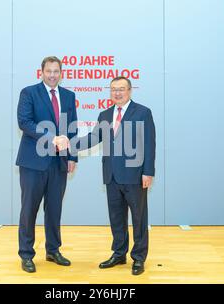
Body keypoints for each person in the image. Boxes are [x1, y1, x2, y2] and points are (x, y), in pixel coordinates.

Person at [69, 76, 156, 275]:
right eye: (113, 89)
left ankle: (139, 257)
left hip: (135, 176)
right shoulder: (105, 114)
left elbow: (149, 144)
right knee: (116, 218)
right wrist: (70, 144)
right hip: (111, 176)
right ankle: (119, 254)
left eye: (121, 89)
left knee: (139, 219)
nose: (117, 93)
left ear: (130, 90)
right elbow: (93, 138)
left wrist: (148, 172)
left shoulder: (143, 112)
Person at [16, 56, 77, 273]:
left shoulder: (69, 96)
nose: (52, 75)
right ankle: (26, 254)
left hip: (58, 162)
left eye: (56, 71)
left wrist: (72, 157)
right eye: (48, 71)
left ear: (62, 73)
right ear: (41, 72)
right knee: (29, 209)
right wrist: (52, 137)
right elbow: (25, 122)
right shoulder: (29, 93)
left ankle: (53, 250)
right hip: (33, 163)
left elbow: (71, 129)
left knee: (54, 209)